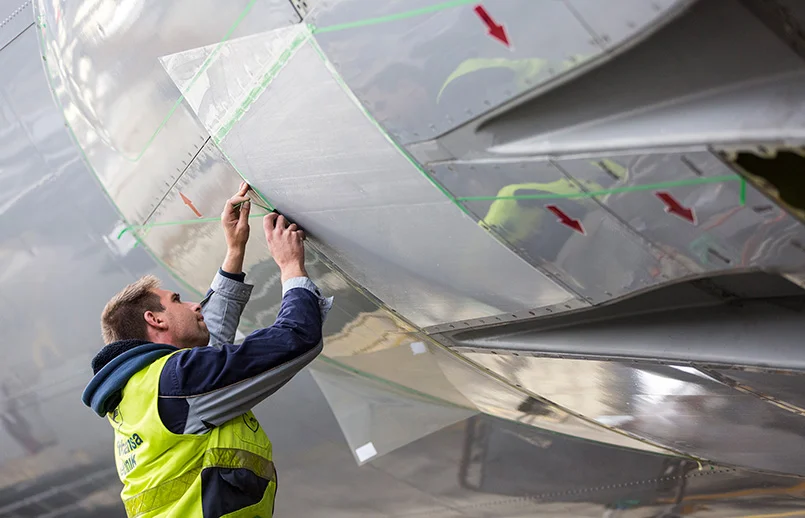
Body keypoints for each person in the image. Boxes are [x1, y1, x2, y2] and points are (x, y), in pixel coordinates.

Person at [81, 182, 332, 517]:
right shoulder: (174, 386)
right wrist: (290, 266)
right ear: (155, 320)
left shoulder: (140, 394)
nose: (194, 304)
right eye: (177, 301)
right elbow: (296, 339)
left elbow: (208, 351)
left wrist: (234, 250)